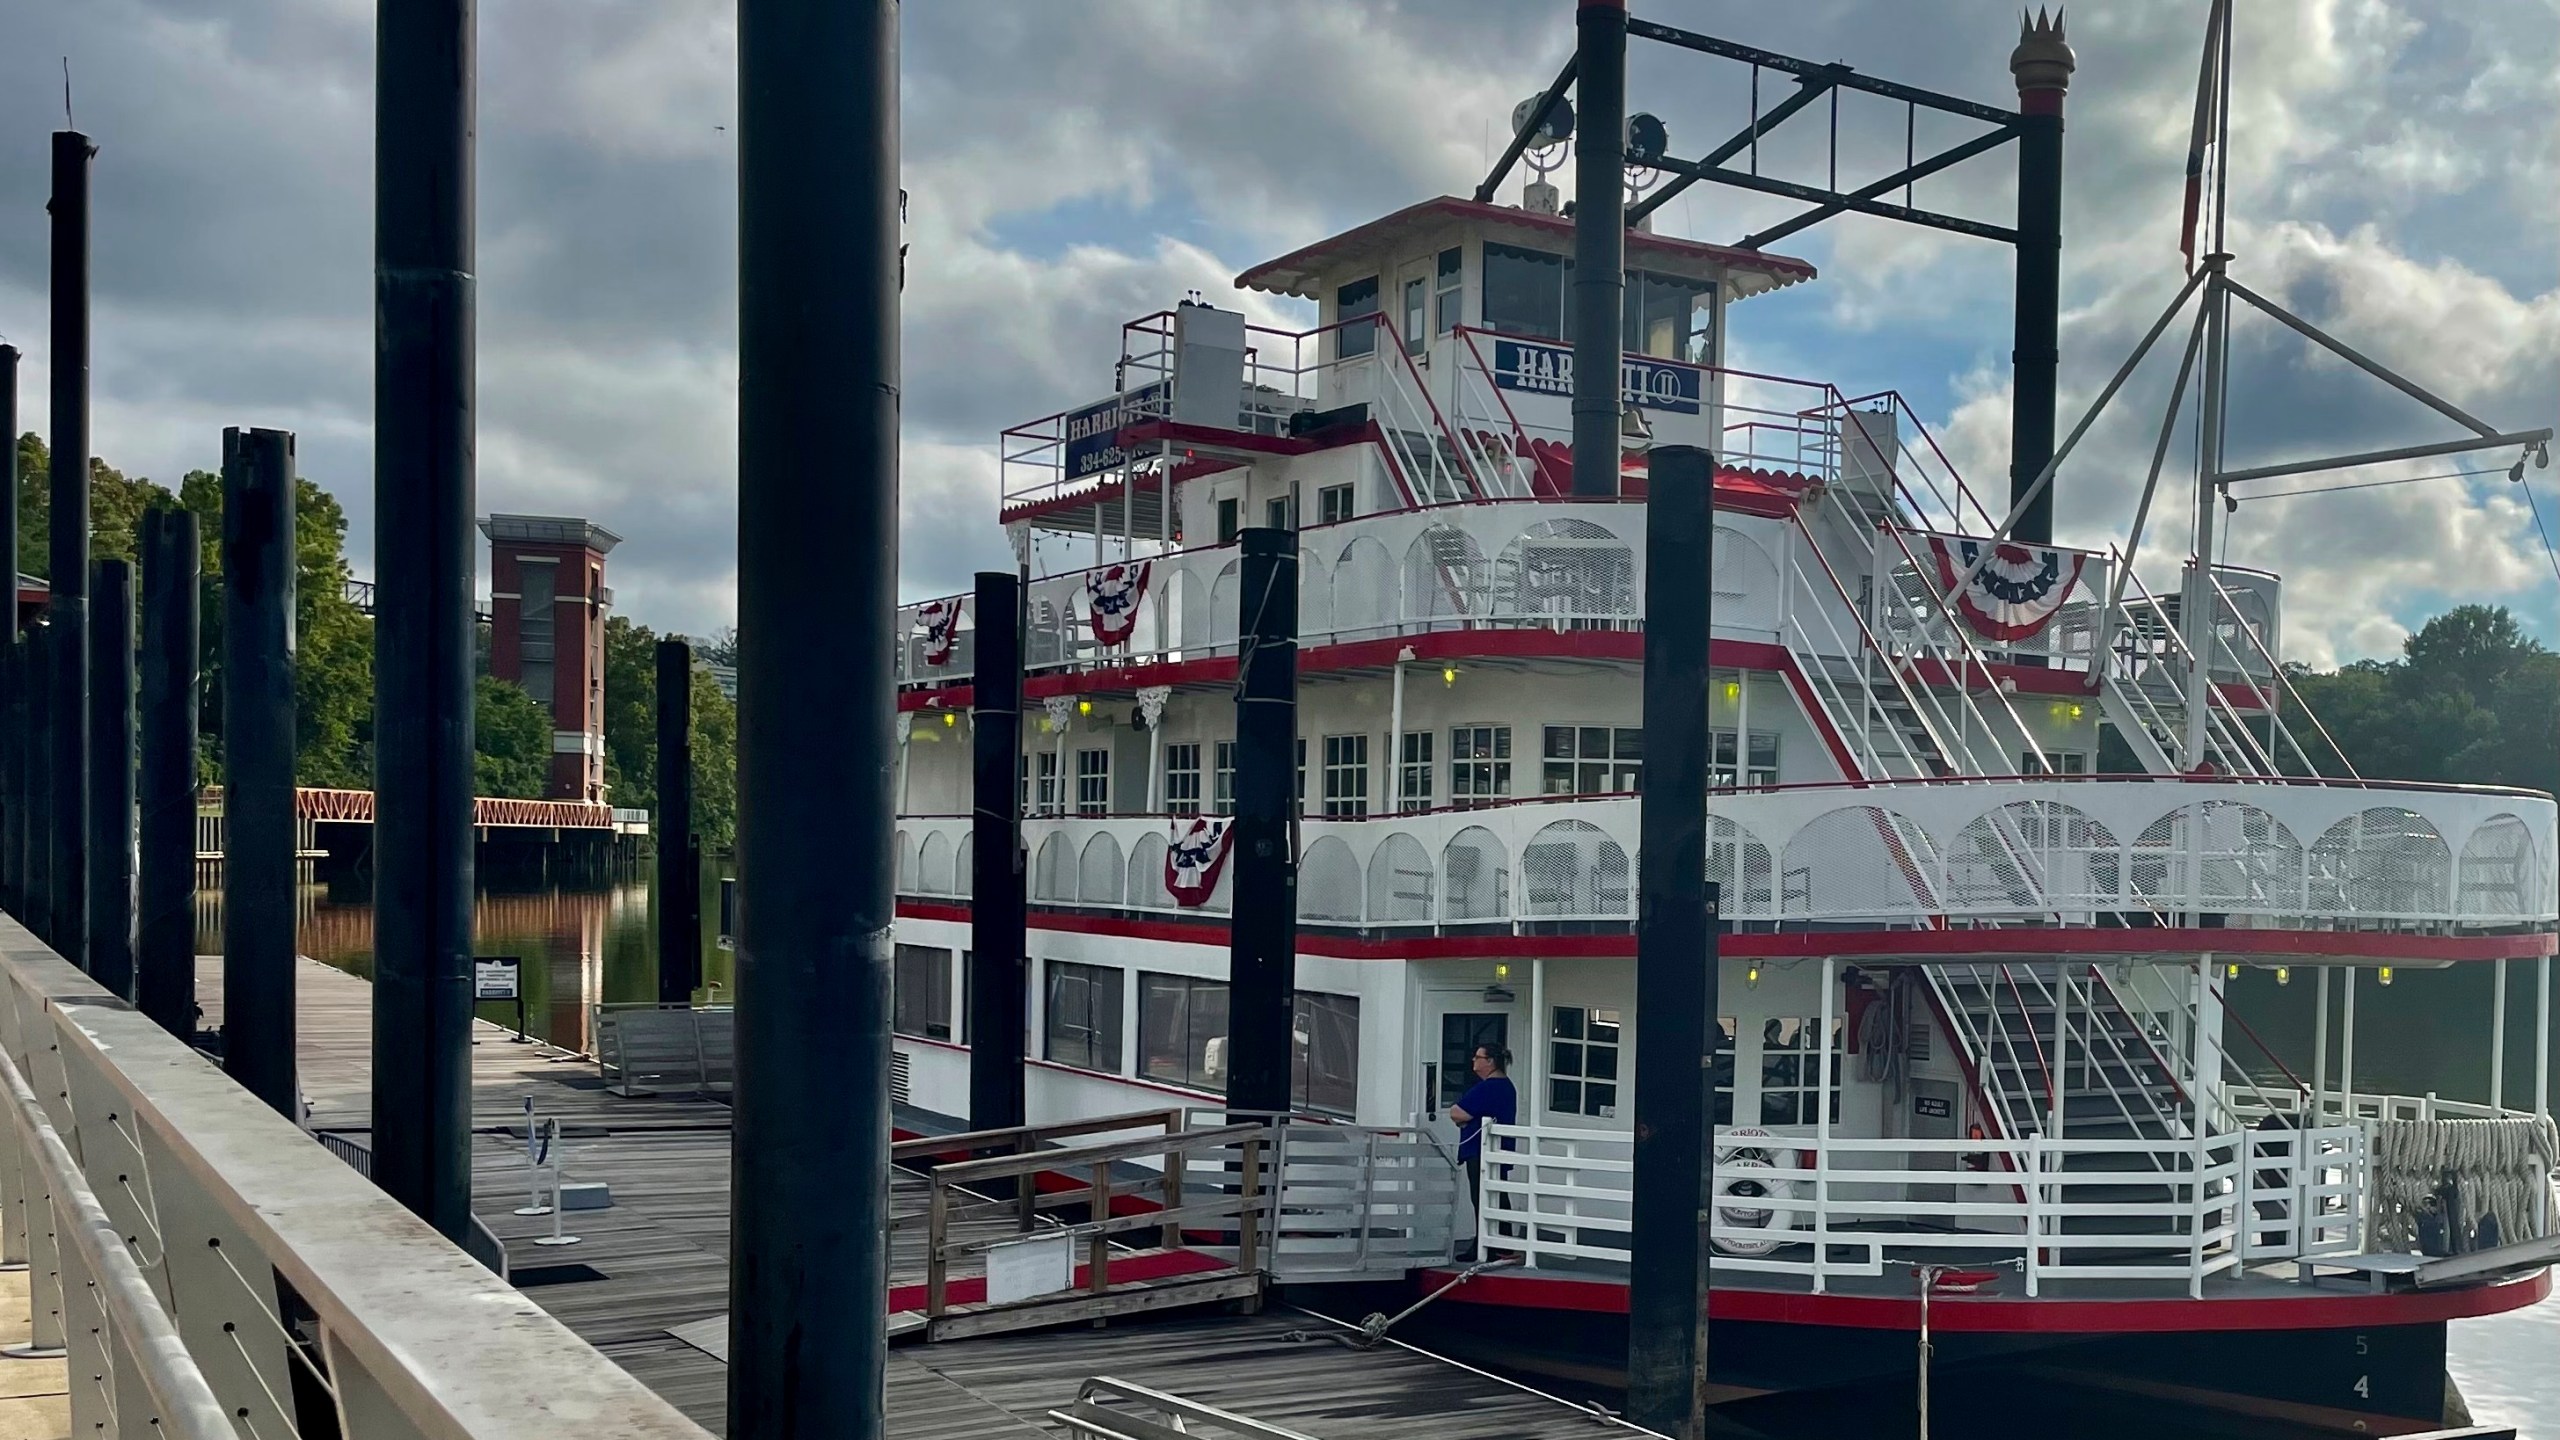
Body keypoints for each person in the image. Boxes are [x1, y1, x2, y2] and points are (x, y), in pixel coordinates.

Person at [1449, 1042, 1517, 1237]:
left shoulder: (1488, 1088)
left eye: (1478, 1057)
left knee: (1481, 1197)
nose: (1473, 1060)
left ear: (1490, 1061)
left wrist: (1464, 1120)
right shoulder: (1506, 1086)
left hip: (1481, 1152)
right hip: (1497, 1150)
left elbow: (1457, 1112)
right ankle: (1502, 1240)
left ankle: (1485, 1243)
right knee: (1498, 1196)